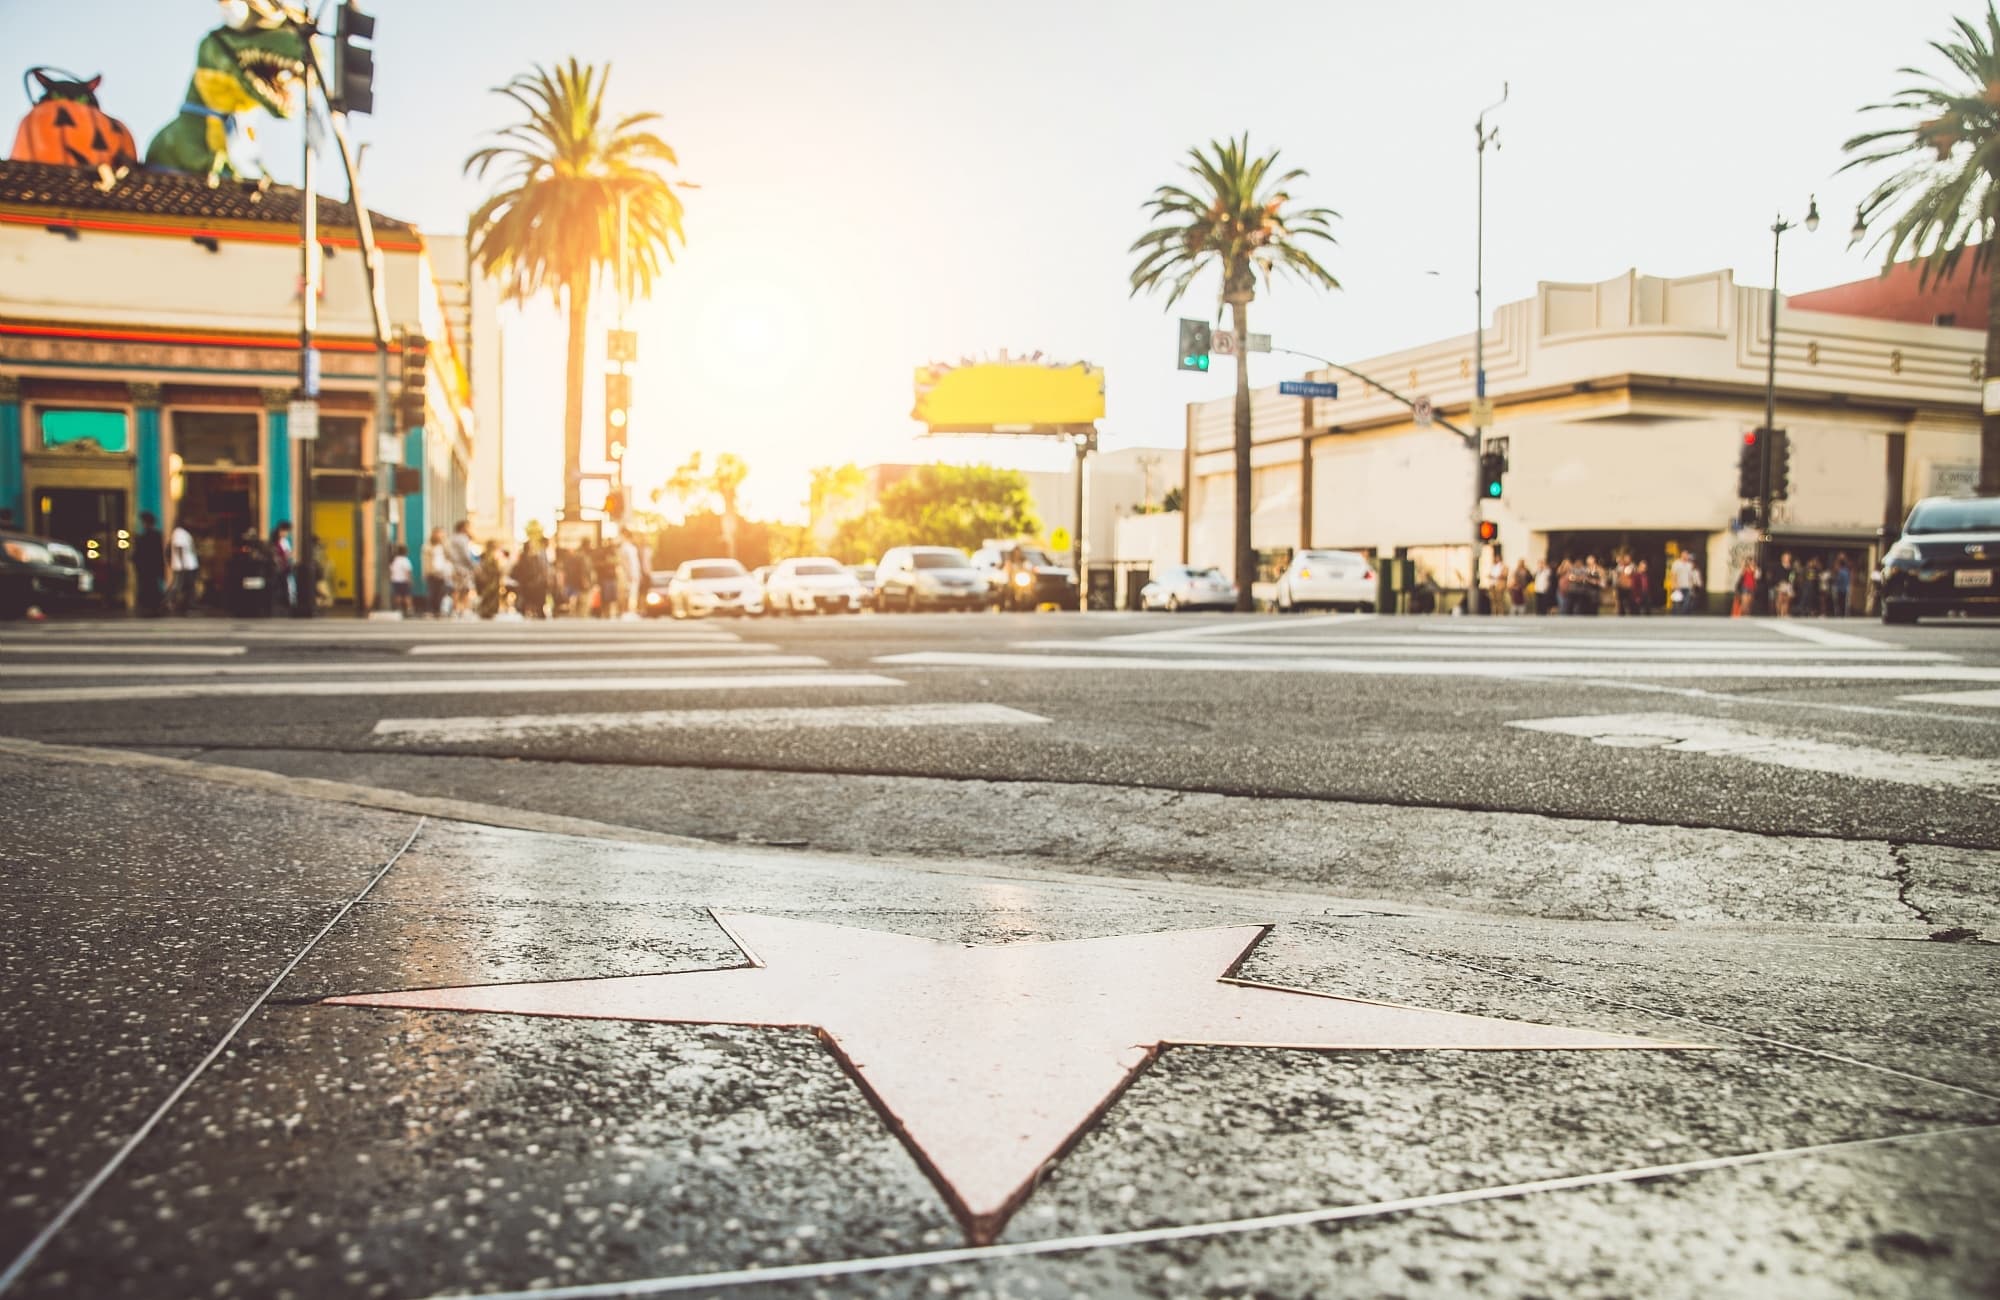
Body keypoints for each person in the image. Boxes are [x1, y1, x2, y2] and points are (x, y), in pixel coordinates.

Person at [131, 512, 166, 616]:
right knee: (150, 587)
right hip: (148, 567)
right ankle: (152, 606)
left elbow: (155, 553)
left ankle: (152, 606)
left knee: (149, 587)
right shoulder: (151, 535)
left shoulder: (149, 536)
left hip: (148, 567)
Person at [447, 520, 479, 618]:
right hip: (464, 568)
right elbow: (466, 555)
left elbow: (448, 553)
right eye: (468, 527)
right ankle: (464, 610)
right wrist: (474, 566)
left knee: (456, 589)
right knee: (465, 589)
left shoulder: (451, 538)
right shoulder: (463, 538)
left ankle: (455, 609)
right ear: (463, 528)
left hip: (455, 567)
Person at [168, 516, 201, 614]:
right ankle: (168, 602)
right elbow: (179, 548)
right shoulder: (179, 532)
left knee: (188, 586)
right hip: (184, 565)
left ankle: (189, 604)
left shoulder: (183, 533)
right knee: (177, 585)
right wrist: (183, 564)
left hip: (189, 564)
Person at [268, 520, 296, 616]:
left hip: (284, 568)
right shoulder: (275, 542)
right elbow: (276, 555)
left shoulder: (284, 541)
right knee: (279, 588)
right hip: (278, 569)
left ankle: (284, 607)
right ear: (280, 530)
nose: (287, 533)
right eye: (286, 531)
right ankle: (278, 608)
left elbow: (288, 554)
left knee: (284, 587)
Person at [424, 527, 453, 617]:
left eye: (441, 534)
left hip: (443, 573)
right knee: (432, 592)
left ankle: (440, 610)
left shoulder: (445, 545)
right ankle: (431, 610)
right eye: (438, 533)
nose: (439, 536)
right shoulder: (428, 546)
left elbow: (450, 557)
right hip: (432, 572)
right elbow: (425, 561)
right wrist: (426, 572)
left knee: (442, 593)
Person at [618, 529, 643, 619]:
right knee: (626, 593)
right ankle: (625, 612)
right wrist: (628, 573)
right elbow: (624, 561)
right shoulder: (624, 547)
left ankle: (631, 611)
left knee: (633, 593)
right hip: (628, 574)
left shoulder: (632, 547)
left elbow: (635, 562)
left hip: (635, 573)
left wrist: (639, 573)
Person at [389, 545, 414, 616]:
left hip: (395, 580)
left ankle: (398, 609)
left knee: (397, 595)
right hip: (404, 580)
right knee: (407, 596)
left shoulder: (394, 560)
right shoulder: (405, 560)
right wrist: (410, 580)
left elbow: (391, 571)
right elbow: (408, 572)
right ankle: (409, 610)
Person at [1832, 554, 1853, 618]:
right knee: (1845, 602)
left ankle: (1839, 613)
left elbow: (1838, 580)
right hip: (1846, 588)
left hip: (1840, 589)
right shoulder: (1847, 571)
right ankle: (1844, 614)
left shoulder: (1840, 571)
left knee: (1839, 602)